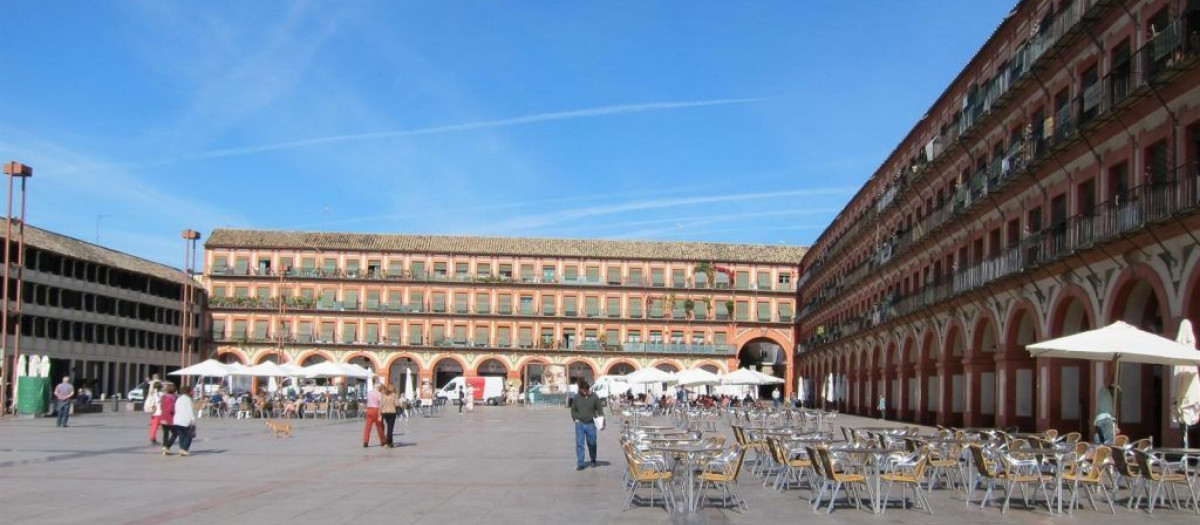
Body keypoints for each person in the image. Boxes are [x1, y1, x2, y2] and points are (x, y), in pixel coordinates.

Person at [570, 380, 604, 471]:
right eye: (583, 390)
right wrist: (575, 419)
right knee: (579, 444)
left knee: (592, 443)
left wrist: (602, 422)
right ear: (580, 389)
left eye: (586, 390)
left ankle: (593, 459)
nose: (585, 392)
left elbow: (600, 410)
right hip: (580, 424)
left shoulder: (594, 397)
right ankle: (580, 464)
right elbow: (573, 409)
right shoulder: (577, 397)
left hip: (591, 424)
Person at [165, 384, 196, 456]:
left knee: (181, 435)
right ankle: (184, 449)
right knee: (189, 435)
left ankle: (181, 449)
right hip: (185, 421)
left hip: (177, 420)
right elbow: (189, 410)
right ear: (188, 392)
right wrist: (193, 419)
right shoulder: (188, 399)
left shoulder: (178, 399)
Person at [362, 382, 385, 448]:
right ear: (378, 387)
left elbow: (368, 401)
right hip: (376, 410)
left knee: (368, 427)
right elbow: (381, 402)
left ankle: (365, 441)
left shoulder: (369, 393)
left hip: (369, 409)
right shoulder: (379, 394)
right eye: (380, 387)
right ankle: (382, 441)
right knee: (379, 427)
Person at [158, 383, 178, 456]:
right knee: (175, 433)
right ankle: (167, 447)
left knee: (165, 433)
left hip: (163, 416)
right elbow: (172, 408)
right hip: (170, 417)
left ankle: (164, 448)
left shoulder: (163, 396)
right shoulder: (174, 397)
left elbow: (161, 405)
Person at [145, 374, 163, 444]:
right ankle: (165, 439)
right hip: (161, 412)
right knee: (165, 426)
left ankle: (152, 437)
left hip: (155, 412)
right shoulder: (163, 394)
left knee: (154, 426)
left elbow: (152, 403)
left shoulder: (153, 394)